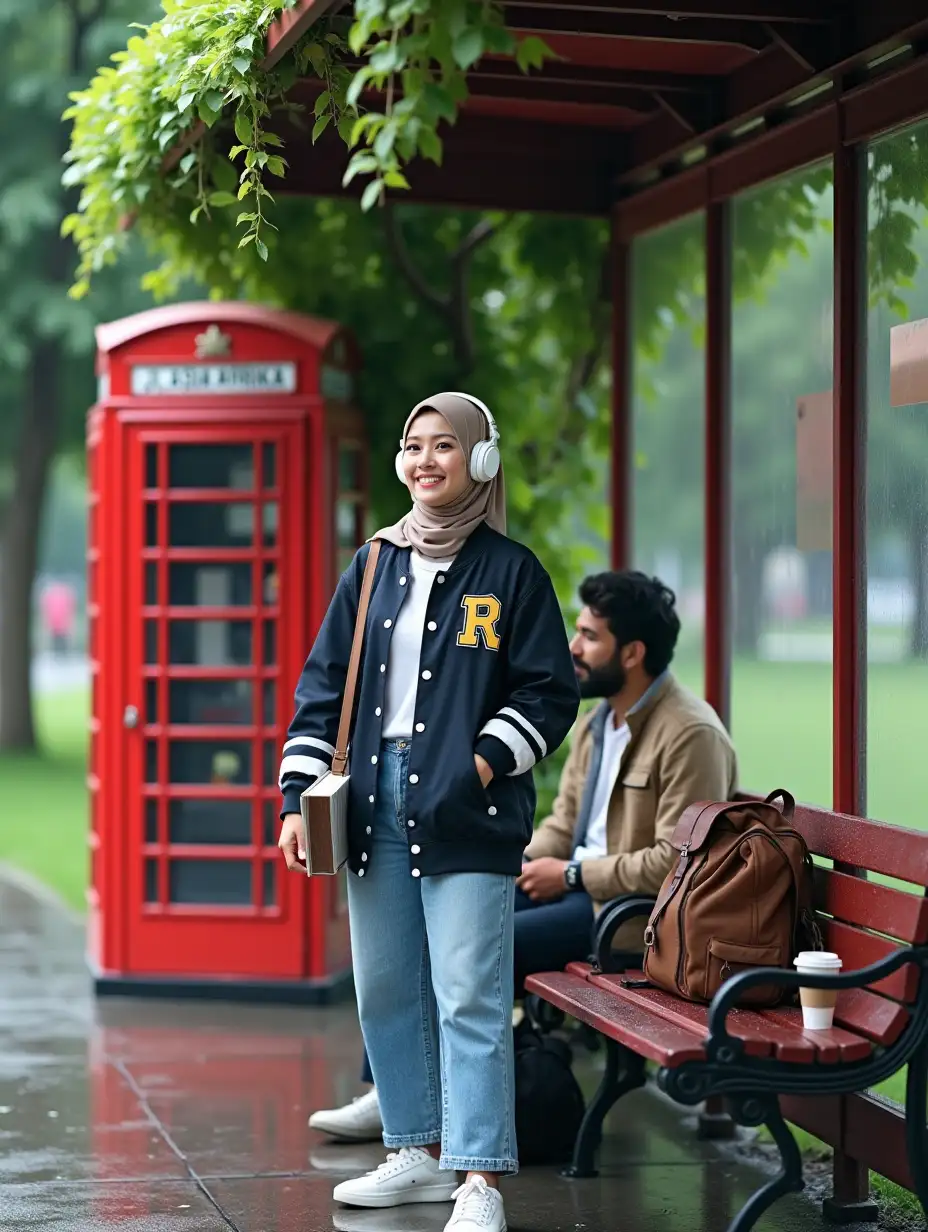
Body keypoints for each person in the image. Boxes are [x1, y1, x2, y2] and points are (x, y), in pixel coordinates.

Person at [278, 392, 579, 1232]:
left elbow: (549, 694)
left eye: (445, 446)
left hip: (470, 809)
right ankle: (413, 1150)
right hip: (373, 796)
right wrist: (297, 804)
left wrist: (480, 763)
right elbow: (321, 690)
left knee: (470, 995)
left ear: (480, 461)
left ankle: (478, 1180)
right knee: (385, 989)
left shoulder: (512, 573)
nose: (425, 460)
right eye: (413, 445)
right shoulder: (372, 565)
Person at [309, 569, 738, 1144]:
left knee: (477, 951)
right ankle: (390, 1094)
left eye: (589, 636)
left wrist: (568, 874)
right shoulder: (598, 722)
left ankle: (428, 1108)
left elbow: (678, 865)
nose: (573, 648)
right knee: (426, 921)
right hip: (579, 893)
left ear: (633, 653)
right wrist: (498, 858)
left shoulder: (690, 734)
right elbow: (562, 826)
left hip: (633, 919)